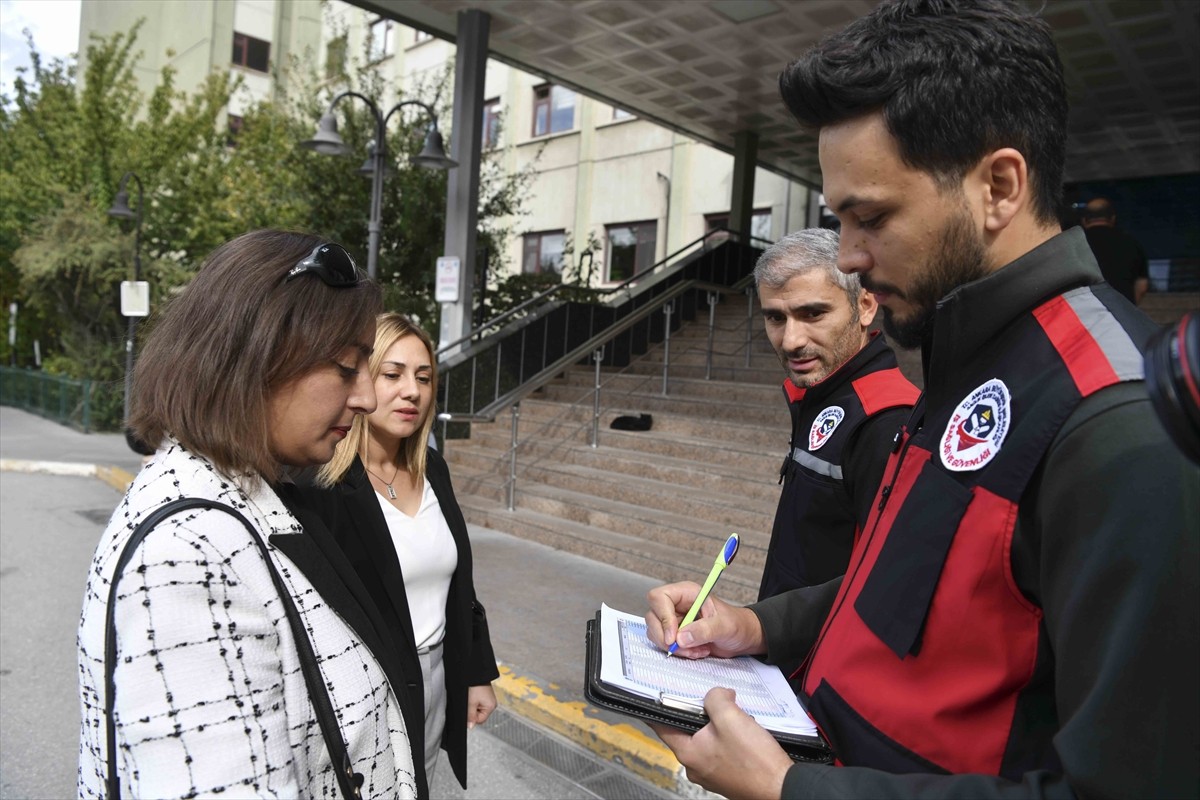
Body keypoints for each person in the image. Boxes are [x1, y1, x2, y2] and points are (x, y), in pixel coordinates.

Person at [643, 1, 1200, 798]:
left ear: (999, 186)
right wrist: (759, 626)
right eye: (839, 220)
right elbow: (923, 584)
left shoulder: (1122, 422)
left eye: (870, 217)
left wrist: (794, 792)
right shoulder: (959, 350)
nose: (849, 257)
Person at [77, 231, 423, 797]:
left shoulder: (244, 497)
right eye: (346, 367)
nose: (365, 398)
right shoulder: (187, 555)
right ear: (259, 356)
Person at [300, 312, 499, 791]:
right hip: (367, 684)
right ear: (361, 380)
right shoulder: (321, 484)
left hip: (436, 676)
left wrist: (476, 671)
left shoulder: (433, 467)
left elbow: (460, 584)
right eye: (392, 374)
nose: (412, 390)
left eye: (424, 377)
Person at [754, 228, 918, 607]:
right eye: (776, 318)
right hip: (782, 653)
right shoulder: (816, 393)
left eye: (813, 313)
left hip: (821, 661)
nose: (791, 340)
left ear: (865, 306)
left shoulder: (890, 422)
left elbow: (888, 589)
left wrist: (761, 629)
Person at [1081, 196, 1150, 305]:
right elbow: (1142, 286)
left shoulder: (1075, 244)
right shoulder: (1131, 243)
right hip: (1123, 311)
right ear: (1112, 218)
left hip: (1085, 312)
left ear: (1084, 220)